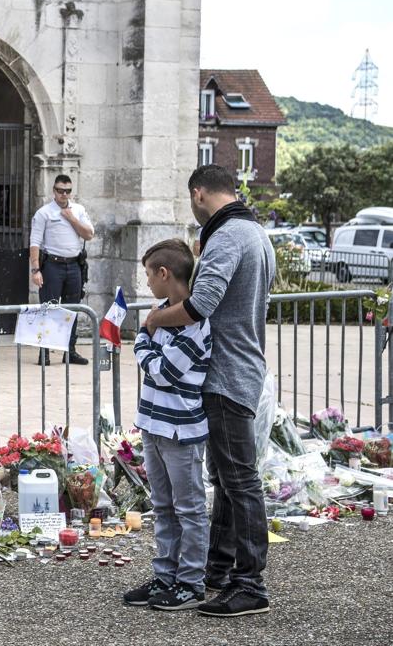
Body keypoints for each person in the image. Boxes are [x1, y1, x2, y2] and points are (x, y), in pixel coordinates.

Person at [144, 163, 276, 618]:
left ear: (199, 194)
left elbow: (200, 305)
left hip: (226, 376)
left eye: (190, 201)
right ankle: (217, 571)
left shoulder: (227, 236)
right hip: (242, 370)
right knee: (227, 479)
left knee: (239, 481)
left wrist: (155, 318)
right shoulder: (257, 233)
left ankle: (249, 583)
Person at [122, 239, 211, 612]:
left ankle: (191, 582)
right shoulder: (160, 312)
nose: (147, 284)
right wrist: (149, 344)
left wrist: (143, 341)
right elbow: (157, 364)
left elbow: (164, 372)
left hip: (181, 431)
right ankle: (165, 574)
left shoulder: (196, 324)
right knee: (162, 505)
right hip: (153, 424)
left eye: (148, 275)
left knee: (189, 508)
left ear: (165, 274)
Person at [29, 174, 95, 365]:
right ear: (54, 191)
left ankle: (70, 350)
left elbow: (89, 234)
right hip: (52, 266)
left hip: (74, 265)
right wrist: (35, 270)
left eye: (67, 191)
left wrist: (72, 218)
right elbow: (35, 242)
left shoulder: (78, 210)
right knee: (48, 309)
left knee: (72, 309)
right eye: (60, 191)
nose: (64, 195)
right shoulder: (44, 213)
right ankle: (44, 352)